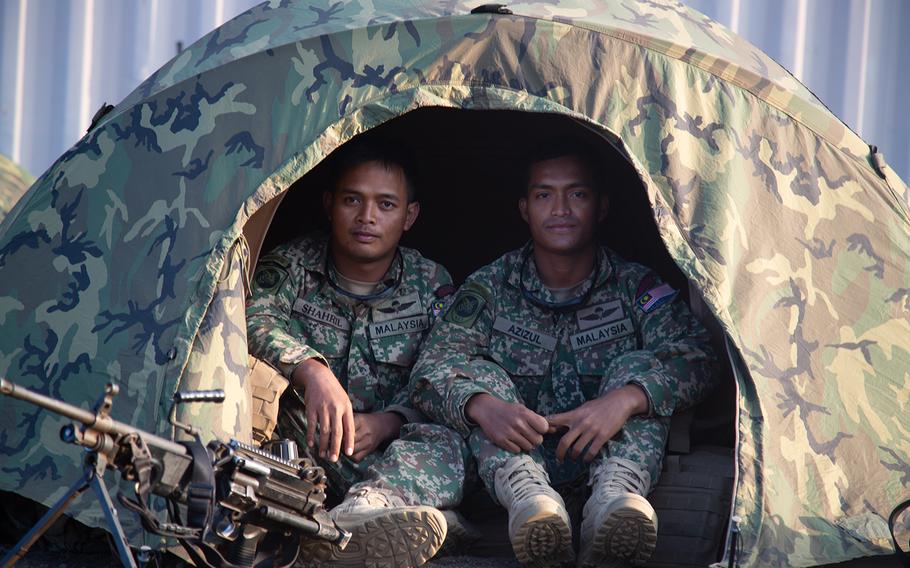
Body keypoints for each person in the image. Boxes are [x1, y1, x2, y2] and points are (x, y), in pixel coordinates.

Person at [409, 140, 717, 567]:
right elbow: (432, 368)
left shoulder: (633, 285)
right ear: (524, 209)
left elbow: (700, 355)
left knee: (639, 371)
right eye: (543, 195)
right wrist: (482, 406)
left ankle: (612, 505)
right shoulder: (492, 286)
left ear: (601, 207)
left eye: (577, 194)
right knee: (478, 379)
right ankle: (532, 502)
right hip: (517, 473)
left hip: (611, 467)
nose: (560, 209)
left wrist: (623, 400)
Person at [246, 143, 471, 568]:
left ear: (409, 216)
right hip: (313, 446)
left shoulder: (429, 283)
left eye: (386, 204)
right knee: (251, 394)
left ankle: (369, 513)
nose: (367, 217)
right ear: (330, 205)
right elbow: (253, 318)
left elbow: (445, 373)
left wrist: (391, 421)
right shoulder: (293, 264)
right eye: (353, 200)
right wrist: (312, 373)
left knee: (452, 437)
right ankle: (434, 522)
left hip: (393, 455)